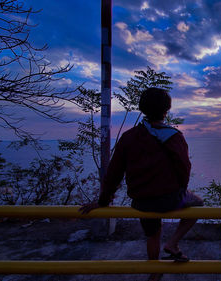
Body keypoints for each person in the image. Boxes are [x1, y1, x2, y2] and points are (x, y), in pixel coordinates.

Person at [79, 87, 203, 281]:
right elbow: (184, 168)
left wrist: (102, 202)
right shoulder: (174, 136)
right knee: (198, 203)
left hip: (141, 201)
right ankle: (173, 243)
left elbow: (113, 174)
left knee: (152, 235)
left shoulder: (129, 137)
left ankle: (155, 273)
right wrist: (180, 190)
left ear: (142, 109)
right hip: (170, 200)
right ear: (166, 110)